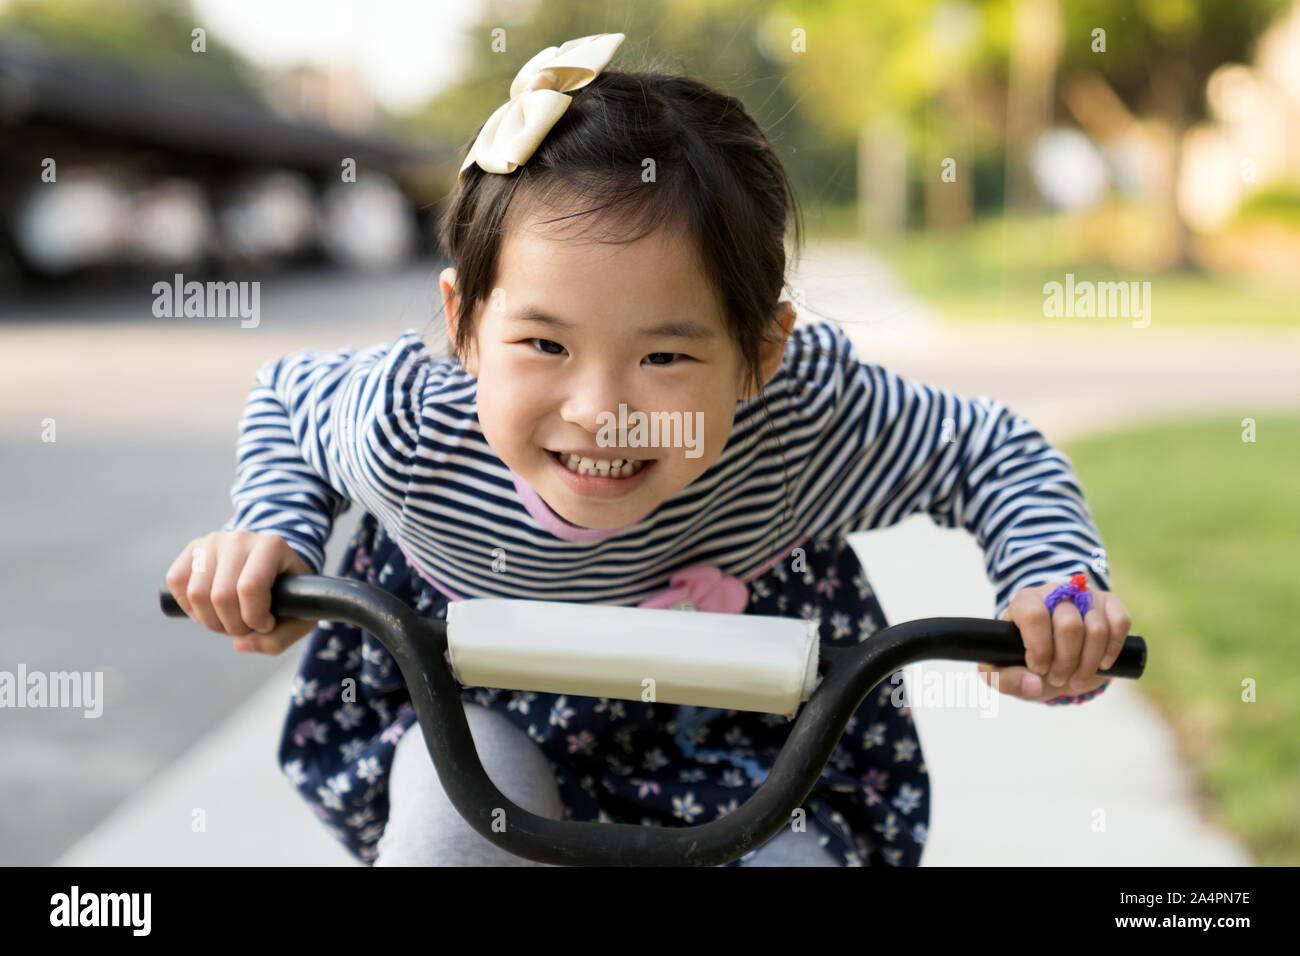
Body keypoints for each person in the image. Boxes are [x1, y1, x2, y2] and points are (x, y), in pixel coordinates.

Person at [165, 34, 1132, 867]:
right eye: (544, 345)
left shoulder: (797, 419)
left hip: (756, 746)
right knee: (451, 823)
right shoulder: (412, 430)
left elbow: (991, 450)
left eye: (665, 354)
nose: (599, 413)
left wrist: (1057, 586)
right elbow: (290, 404)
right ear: (462, 325)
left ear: (761, 353)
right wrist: (271, 532)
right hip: (476, 721)